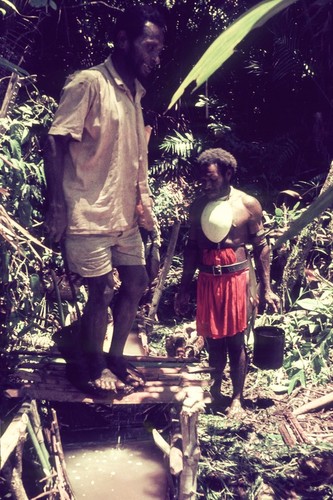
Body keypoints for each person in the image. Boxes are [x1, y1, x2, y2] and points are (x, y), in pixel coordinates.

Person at [44, 5, 166, 396]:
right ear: (122, 41)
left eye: (159, 50)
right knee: (102, 291)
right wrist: (57, 206)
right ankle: (94, 366)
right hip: (87, 211)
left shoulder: (135, 94)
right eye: (149, 47)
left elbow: (133, 158)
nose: (155, 57)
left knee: (137, 281)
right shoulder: (89, 83)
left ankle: (112, 357)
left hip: (123, 215)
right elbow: (55, 139)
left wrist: (144, 206)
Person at [174, 148, 280, 416]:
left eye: (212, 179)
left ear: (228, 173)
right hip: (209, 281)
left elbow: (261, 247)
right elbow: (192, 250)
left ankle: (237, 399)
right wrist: (185, 288)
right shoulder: (199, 207)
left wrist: (266, 288)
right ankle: (216, 390)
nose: (206, 185)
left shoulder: (247, 204)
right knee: (213, 339)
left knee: (235, 341)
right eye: (203, 180)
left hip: (238, 281)